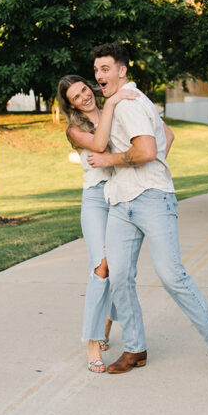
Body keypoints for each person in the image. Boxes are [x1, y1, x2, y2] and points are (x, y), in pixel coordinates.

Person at [86, 43, 208, 377]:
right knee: (121, 277)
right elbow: (167, 135)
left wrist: (122, 162)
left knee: (171, 274)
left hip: (152, 198)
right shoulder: (118, 103)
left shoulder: (131, 103)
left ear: (122, 70)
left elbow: (149, 148)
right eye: (96, 70)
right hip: (120, 202)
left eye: (105, 69)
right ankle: (135, 349)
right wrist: (144, 164)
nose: (99, 76)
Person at [56, 75, 136, 373]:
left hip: (121, 196)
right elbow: (101, 147)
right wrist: (115, 99)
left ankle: (104, 325)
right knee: (100, 266)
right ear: (71, 104)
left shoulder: (114, 114)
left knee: (118, 269)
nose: (84, 96)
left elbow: (151, 141)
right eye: (76, 97)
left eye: (83, 89)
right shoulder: (75, 129)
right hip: (95, 200)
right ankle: (92, 340)